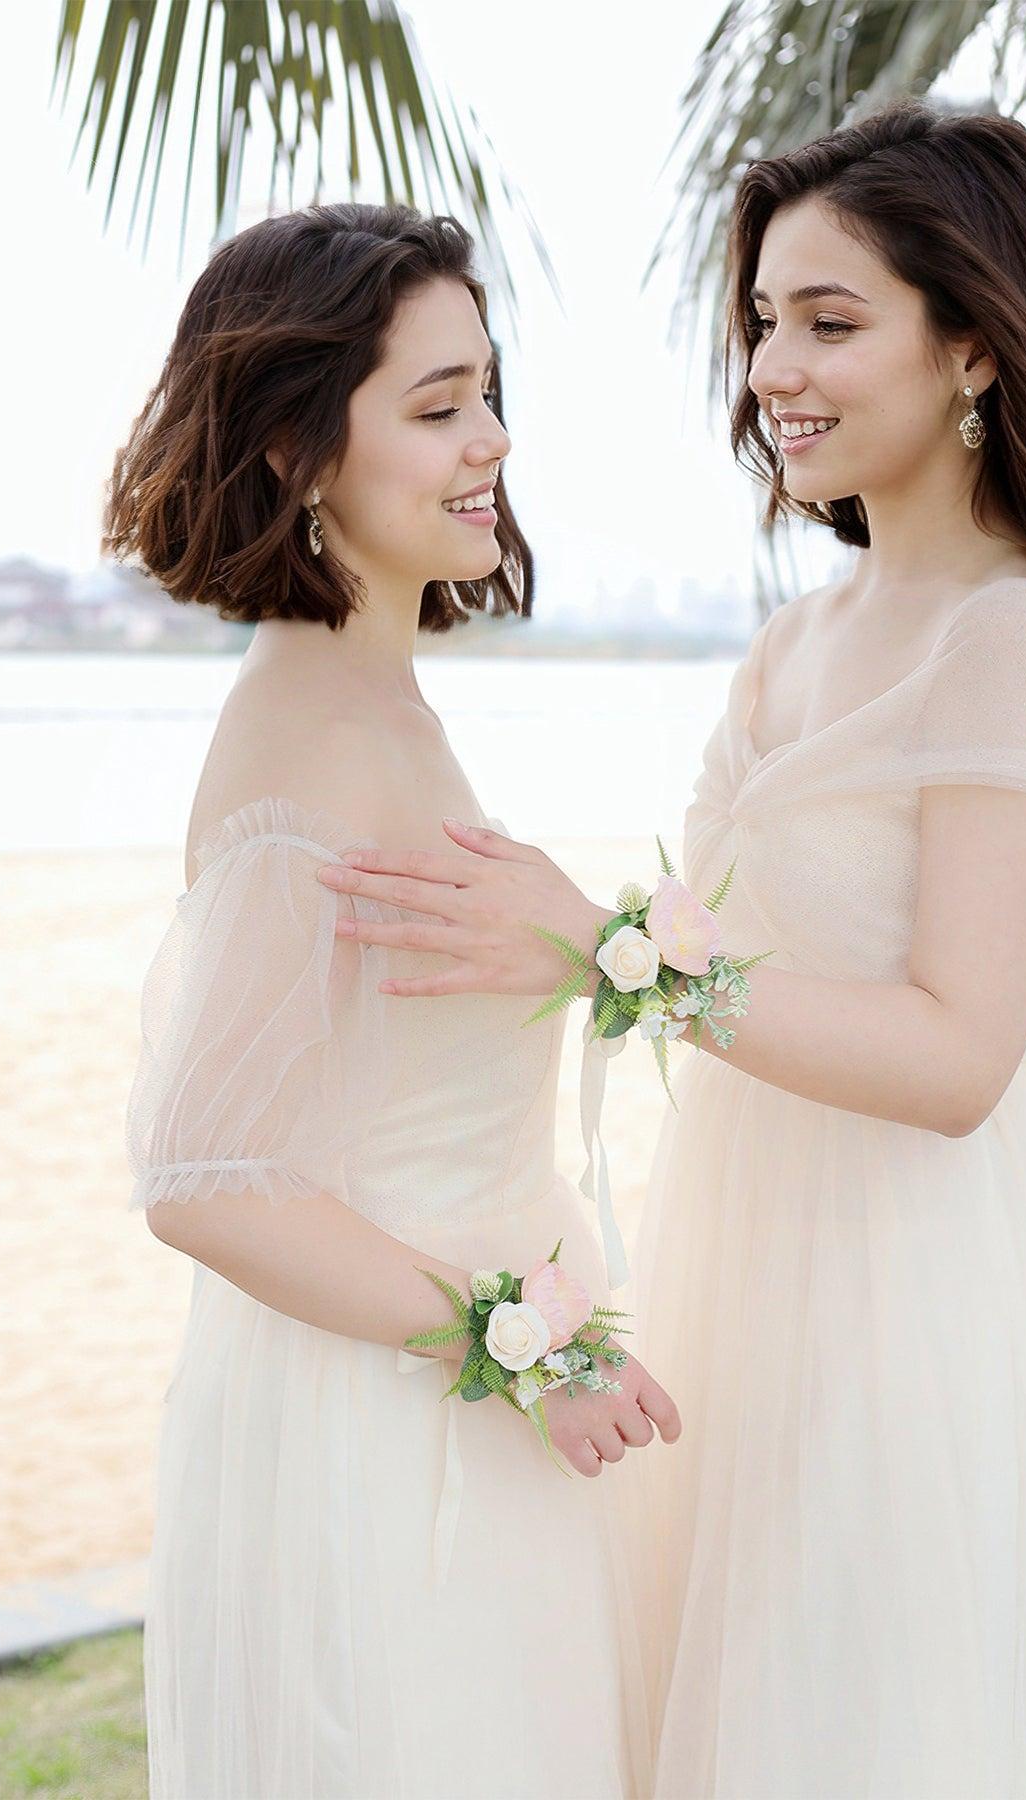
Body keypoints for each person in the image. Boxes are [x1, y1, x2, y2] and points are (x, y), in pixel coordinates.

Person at [313, 104, 1026, 1796]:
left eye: (834, 323)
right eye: (766, 320)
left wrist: (605, 946)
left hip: (914, 1289)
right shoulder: (797, 641)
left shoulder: (1021, 643)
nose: (777, 365)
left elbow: (954, 1056)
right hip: (736, 1256)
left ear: (977, 345)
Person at [113, 201, 680, 1800]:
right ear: (298, 452)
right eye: (437, 408)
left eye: (489, 393)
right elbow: (205, 1176)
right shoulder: (310, 731)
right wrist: (516, 1341)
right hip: (386, 1430)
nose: (490, 441)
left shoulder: (373, 696)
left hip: (450, 1407)